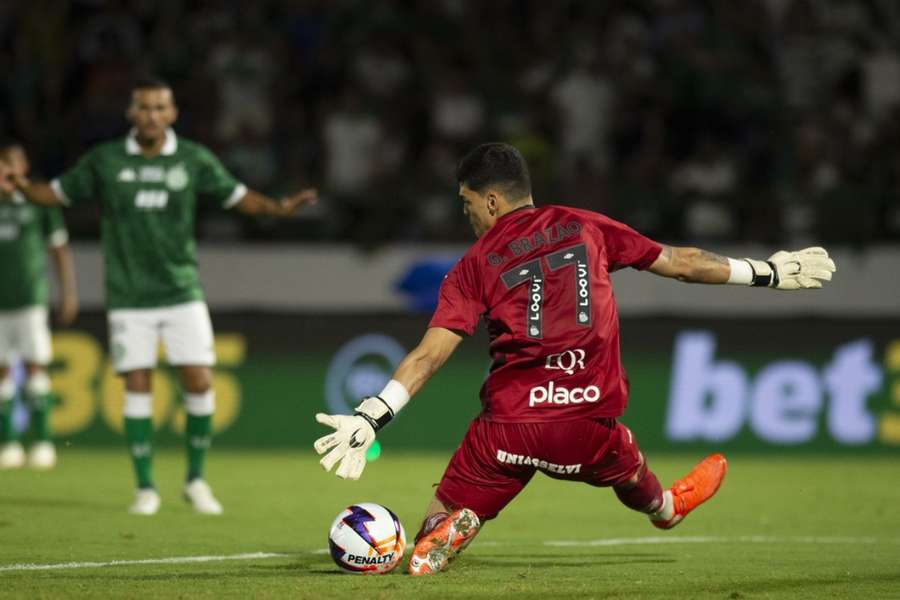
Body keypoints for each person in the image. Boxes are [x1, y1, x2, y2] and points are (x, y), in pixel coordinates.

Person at [313, 143, 836, 575]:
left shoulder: (473, 267)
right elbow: (681, 263)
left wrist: (371, 416)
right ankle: (668, 509)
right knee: (633, 475)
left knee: (434, 528)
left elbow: (429, 356)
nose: (467, 213)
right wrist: (766, 272)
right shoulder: (587, 226)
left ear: (492, 201)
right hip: (587, 425)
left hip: (507, 431)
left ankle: (437, 541)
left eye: (467, 202)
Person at [0, 76, 318, 515]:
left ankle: (195, 479)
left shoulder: (192, 158)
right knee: (137, 383)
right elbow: (51, 195)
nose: (151, 115)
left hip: (181, 289)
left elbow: (238, 196)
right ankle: (145, 488)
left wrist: (279, 208)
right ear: (131, 114)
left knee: (200, 380)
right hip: (129, 294)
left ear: (172, 114)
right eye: (143, 108)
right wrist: (19, 184)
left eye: (159, 108)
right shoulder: (105, 160)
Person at [0, 140, 78, 470]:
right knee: (1, 371)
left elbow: (58, 250)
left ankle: (44, 443)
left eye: (14, 162)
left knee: (35, 366)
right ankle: (8, 445)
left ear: (25, 166)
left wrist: (69, 293)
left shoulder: (40, 202)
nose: (8, 170)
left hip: (30, 298)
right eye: (3, 164)